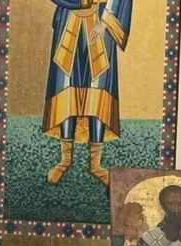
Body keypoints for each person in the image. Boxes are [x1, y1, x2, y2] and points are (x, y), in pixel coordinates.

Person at [42, 0, 133, 186]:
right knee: (66, 87)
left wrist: (106, 22)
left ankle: (95, 164)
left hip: (100, 21)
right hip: (68, 19)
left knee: (98, 90)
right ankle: (65, 160)